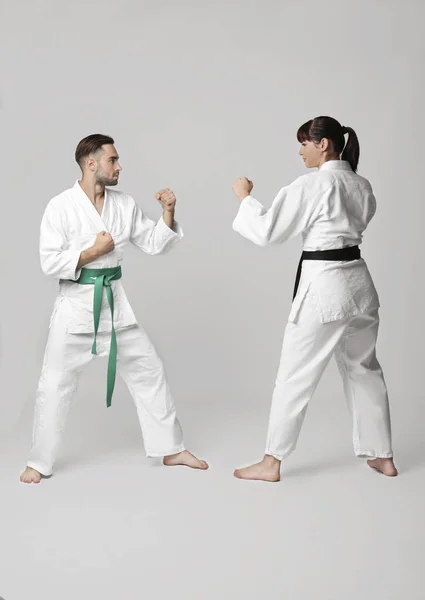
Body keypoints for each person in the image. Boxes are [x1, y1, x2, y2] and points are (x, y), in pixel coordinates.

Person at [20, 134, 208, 484]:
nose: (119, 166)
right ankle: (39, 461)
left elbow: (153, 244)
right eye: (113, 160)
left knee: (149, 370)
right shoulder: (59, 206)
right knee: (54, 385)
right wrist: (91, 252)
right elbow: (49, 262)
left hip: (115, 305)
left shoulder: (124, 204)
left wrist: (168, 213)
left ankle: (171, 448)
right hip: (75, 307)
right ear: (91, 164)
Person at [231, 116, 397, 482]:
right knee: (364, 369)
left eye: (305, 142)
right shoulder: (361, 184)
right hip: (360, 285)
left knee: (293, 375)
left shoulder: (313, 184)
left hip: (325, 287)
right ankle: (382, 456)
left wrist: (245, 198)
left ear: (323, 144)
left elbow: (267, 231)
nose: (300, 150)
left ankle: (271, 462)